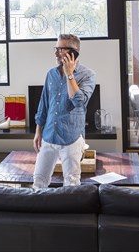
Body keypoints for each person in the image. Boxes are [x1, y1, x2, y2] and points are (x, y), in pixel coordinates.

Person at [32, 34, 96, 188]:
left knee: (71, 183)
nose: (56, 53)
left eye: (60, 49)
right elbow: (44, 105)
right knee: (39, 180)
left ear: (73, 52)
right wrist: (38, 132)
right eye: (56, 48)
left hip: (71, 138)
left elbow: (79, 101)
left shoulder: (88, 75)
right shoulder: (51, 74)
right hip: (48, 136)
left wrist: (69, 74)